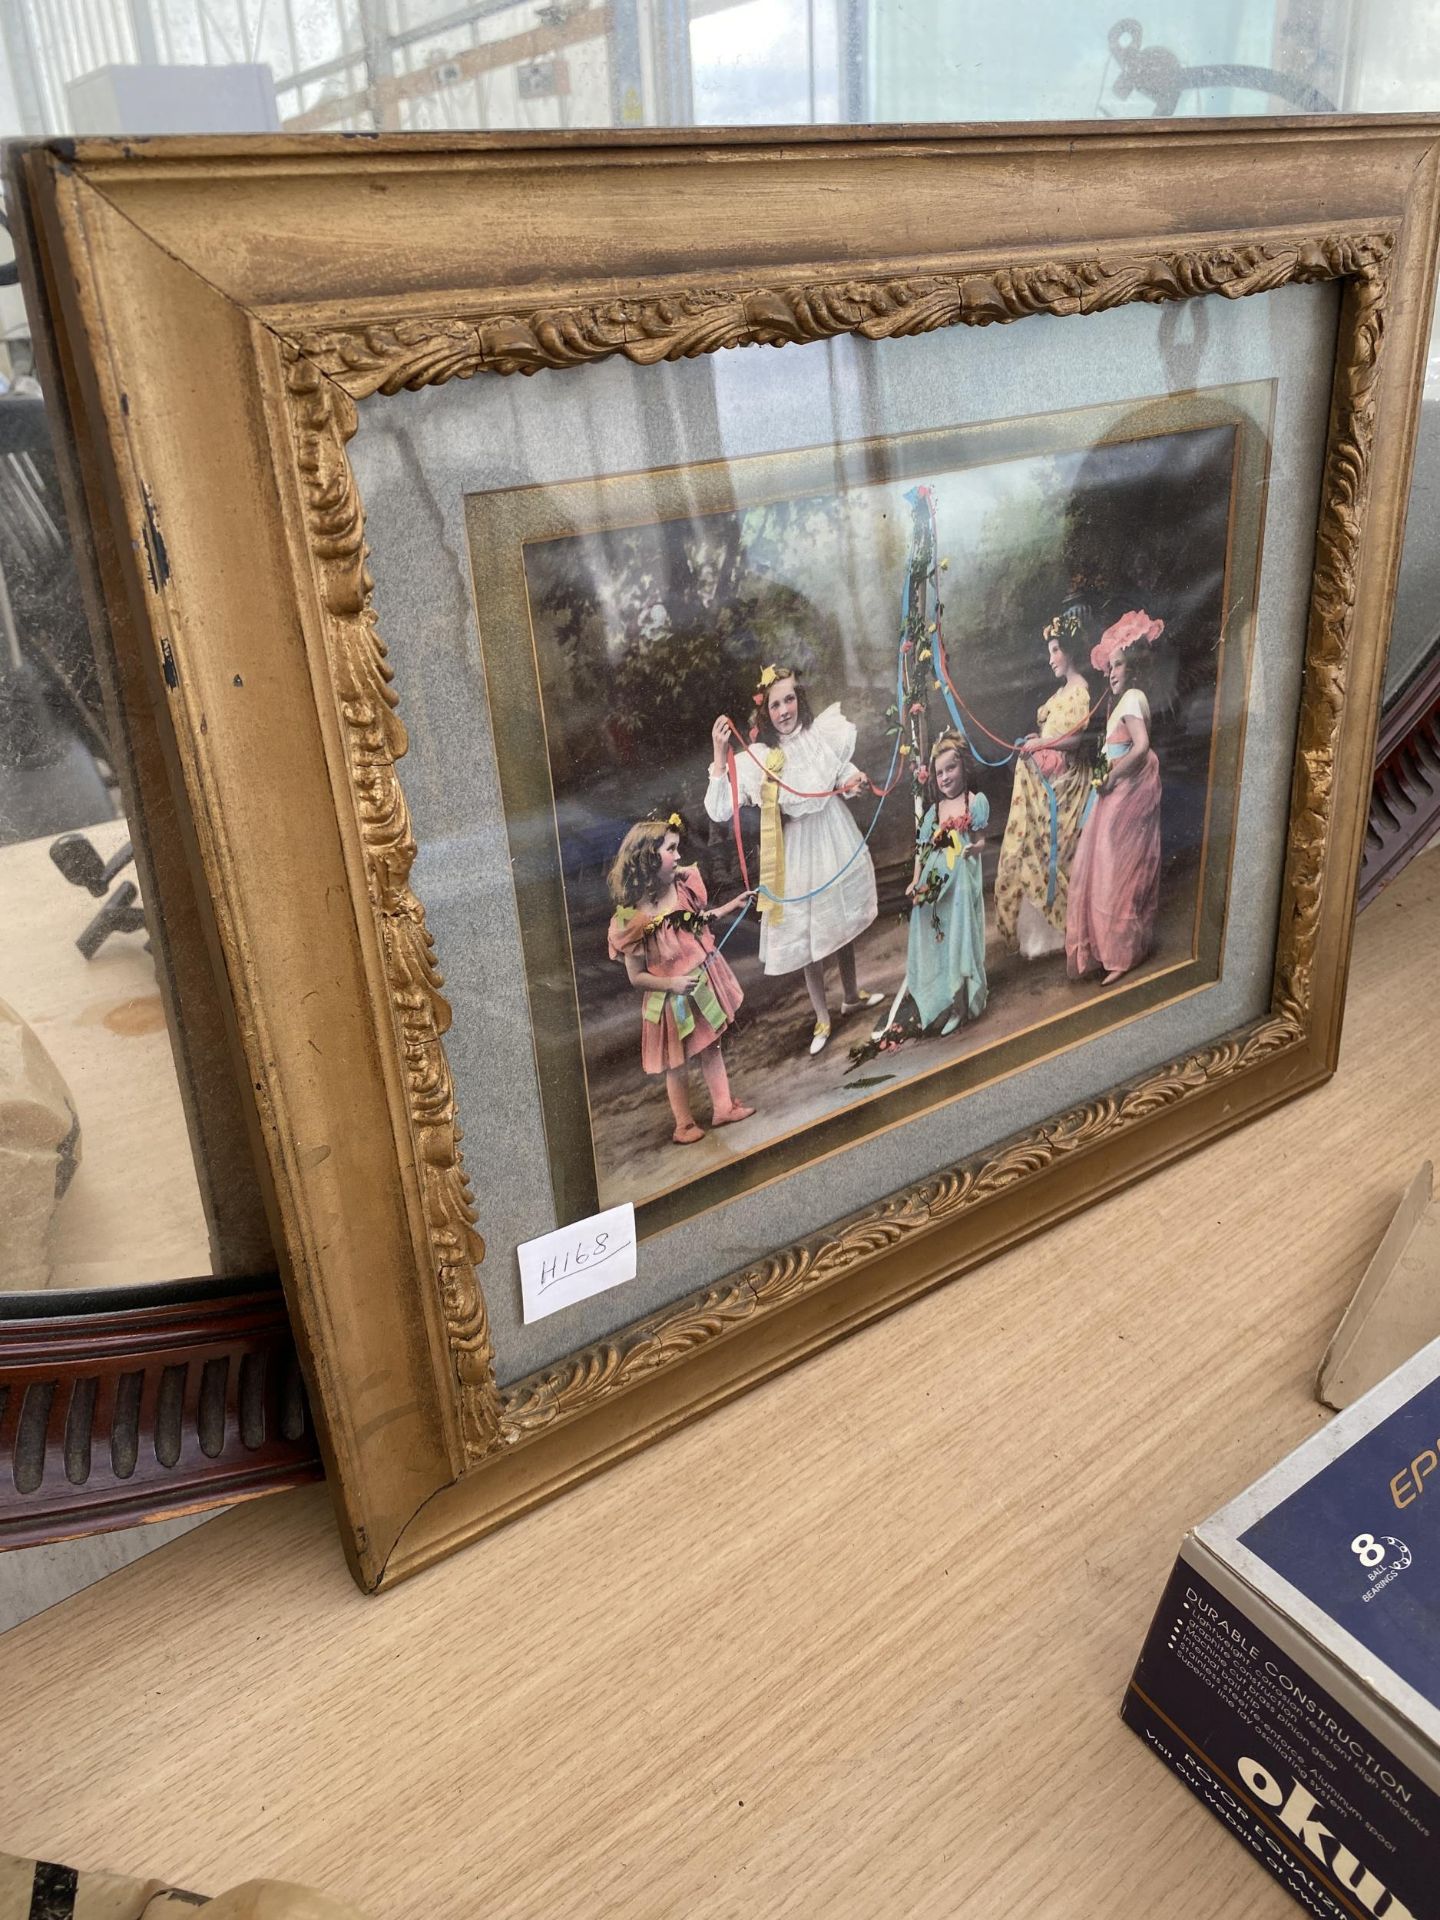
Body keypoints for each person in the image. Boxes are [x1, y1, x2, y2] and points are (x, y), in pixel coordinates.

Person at [706, 664, 883, 1056]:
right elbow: (720, 809)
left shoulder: (818, 735)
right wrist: (720, 754)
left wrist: (853, 783)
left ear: (799, 700)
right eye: (774, 705)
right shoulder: (764, 756)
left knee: (841, 919)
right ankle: (822, 1015)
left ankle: (851, 994)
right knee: (810, 932)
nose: (784, 710)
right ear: (764, 713)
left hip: (834, 831)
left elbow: (841, 772)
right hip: (799, 848)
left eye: (789, 700)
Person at [606, 815, 754, 1145]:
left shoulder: (682, 886)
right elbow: (636, 977)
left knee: (712, 1046)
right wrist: (671, 985)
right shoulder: (632, 918)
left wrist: (732, 904)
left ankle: (723, 1107)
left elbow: (699, 920)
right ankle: (683, 1123)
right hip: (672, 999)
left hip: (701, 985)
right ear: (647, 858)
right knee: (677, 1062)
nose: (677, 856)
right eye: (670, 849)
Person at [1066, 610, 1165, 986]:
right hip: (1116, 790)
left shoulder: (1134, 697)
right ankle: (1109, 949)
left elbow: (1140, 747)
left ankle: (1122, 953)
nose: (1111, 673)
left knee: (1118, 869)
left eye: (1118, 665)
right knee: (1105, 867)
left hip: (1129, 790)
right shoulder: (1119, 704)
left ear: (1134, 666)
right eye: (1108, 667)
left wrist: (1110, 776)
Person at [994, 611, 1094, 960]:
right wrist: (1039, 740)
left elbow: (1076, 739)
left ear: (1069, 651)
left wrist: (1044, 745)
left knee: (1050, 849)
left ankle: (1063, 931)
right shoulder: (1061, 692)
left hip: (1067, 778)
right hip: (1048, 773)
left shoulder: (1080, 690)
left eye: (1055, 650)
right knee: (1031, 845)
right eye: (1049, 651)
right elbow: (1054, 734)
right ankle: (1042, 939)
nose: (1051, 658)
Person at [903, 732, 990, 1035]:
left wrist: (972, 849)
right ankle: (944, 998)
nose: (945, 777)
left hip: (962, 882)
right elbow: (922, 851)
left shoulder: (973, 802)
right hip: (938, 883)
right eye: (939, 773)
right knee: (939, 936)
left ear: (964, 767)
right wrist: (916, 882)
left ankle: (962, 1004)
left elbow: (980, 842)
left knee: (960, 938)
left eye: (950, 769)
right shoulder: (934, 813)